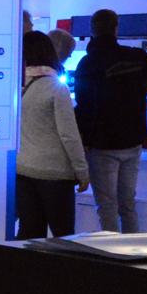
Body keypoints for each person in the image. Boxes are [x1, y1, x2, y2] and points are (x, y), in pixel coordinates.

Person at [74, 8, 147, 232]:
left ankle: (110, 250)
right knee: (128, 204)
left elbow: (84, 106)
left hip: (102, 144)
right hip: (133, 139)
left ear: (92, 30)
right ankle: (131, 246)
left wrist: (84, 140)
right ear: (116, 28)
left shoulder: (88, 63)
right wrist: (144, 87)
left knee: (106, 206)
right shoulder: (136, 56)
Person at [15, 30, 90, 240]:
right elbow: (68, 135)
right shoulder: (56, 87)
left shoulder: (14, 86)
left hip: (22, 169)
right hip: (55, 173)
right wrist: (82, 171)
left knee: (30, 233)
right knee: (64, 236)